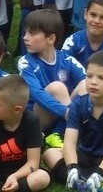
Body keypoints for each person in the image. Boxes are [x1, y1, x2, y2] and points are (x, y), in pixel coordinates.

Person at [44, 51, 103, 190]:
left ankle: (89, 180)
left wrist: (101, 171)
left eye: (101, 78)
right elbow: (69, 143)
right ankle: (90, 182)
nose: (93, 82)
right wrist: (72, 166)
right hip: (83, 156)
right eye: (89, 76)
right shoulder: (77, 105)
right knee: (49, 154)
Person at [16, 9, 87, 141]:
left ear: (51, 38)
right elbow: (36, 93)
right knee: (57, 88)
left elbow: (87, 85)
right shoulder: (26, 62)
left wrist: (70, 110)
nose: (25, 37)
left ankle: (59, 132)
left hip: (65, 111)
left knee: (86, 84)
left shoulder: (67, 60)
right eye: (25, 32)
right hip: (35, 118)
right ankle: (67, 132)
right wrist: (66, 112)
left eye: (32, 33)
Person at [61, 0, 103, 67]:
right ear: (86, 14)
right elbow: (62, 71)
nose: (96, 21)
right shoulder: (73, 42)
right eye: (93, 15)